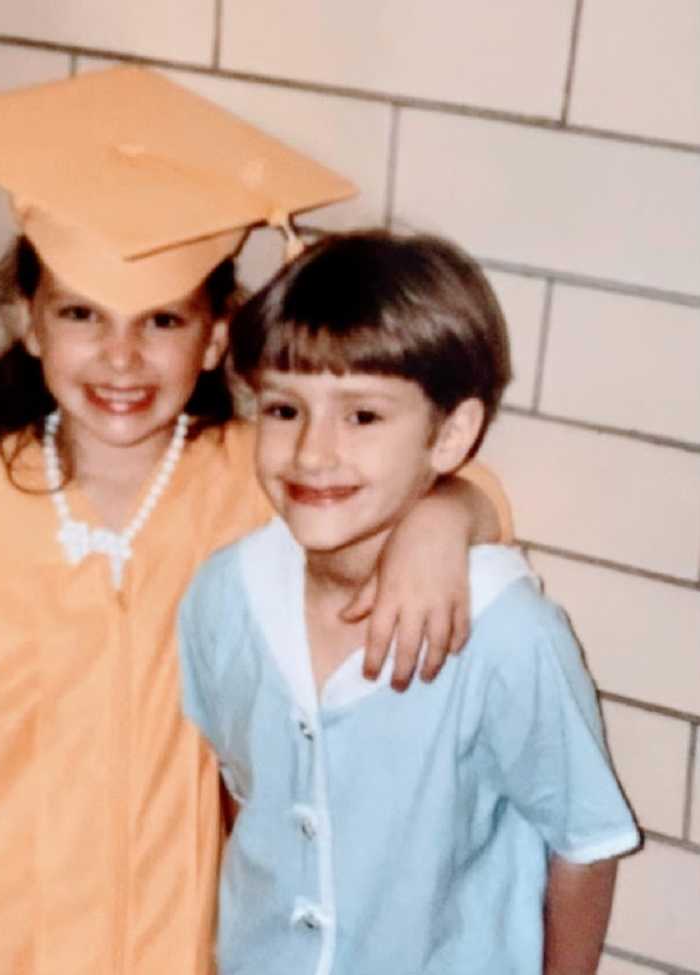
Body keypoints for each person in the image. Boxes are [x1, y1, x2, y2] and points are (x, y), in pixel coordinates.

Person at [0, 72, 509, 975]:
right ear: (30, 324)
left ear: (216, 338)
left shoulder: (253, 485)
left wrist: (441, 523)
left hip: (165, 946)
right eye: (82, 315)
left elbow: (453, 477)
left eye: (163, 320)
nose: (122, 358)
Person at [178, 231, 640, 975]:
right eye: (284, 409)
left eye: (362, 416)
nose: (313, 452)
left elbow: (584, 843)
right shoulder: (223, 596)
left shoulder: (506, 632)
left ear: (450, 434)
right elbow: (245, 799)